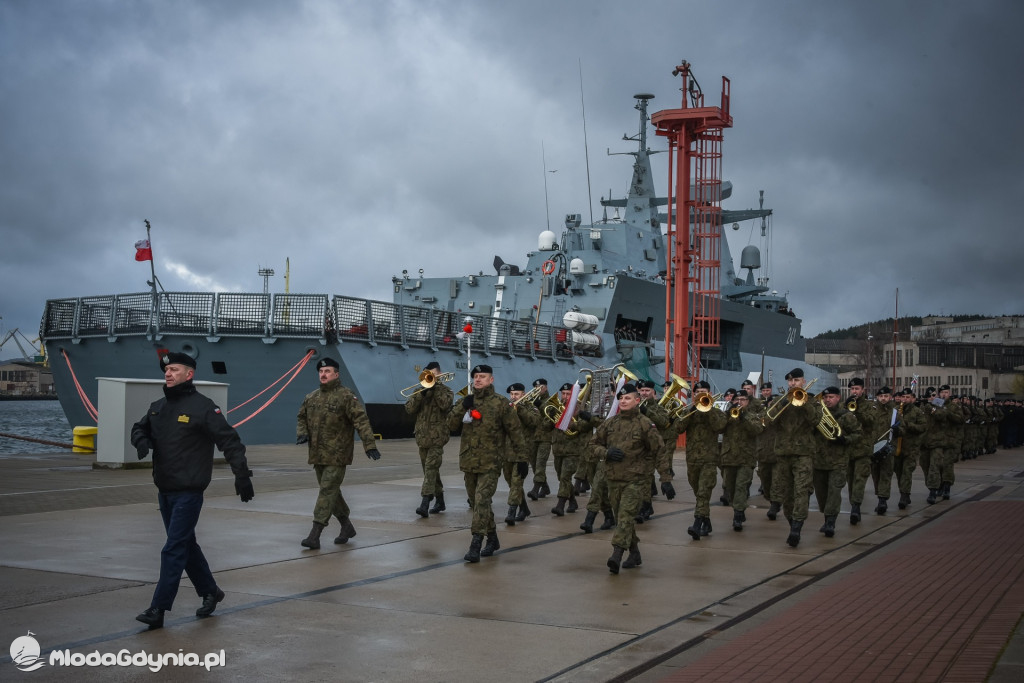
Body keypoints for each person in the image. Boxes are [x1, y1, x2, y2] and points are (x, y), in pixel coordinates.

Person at [130, 351, 254, 629]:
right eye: (167, 370)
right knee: (185, 545)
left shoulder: (203, 407)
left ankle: (158, 608)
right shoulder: (158, 407)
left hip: (189, 492)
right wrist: (141, 442)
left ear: (190, 374)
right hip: (165, 490)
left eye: (175, 369)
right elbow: (139, 428)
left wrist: (242, 475)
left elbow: (230, 441)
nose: (168, 374)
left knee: (173, 547)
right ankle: (211, 591)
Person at [296, 357, 382, 550]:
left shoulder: (346, 396)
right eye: (321, 371)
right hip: (317, 454)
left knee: (326, 491)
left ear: (336, 374)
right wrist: (302, 433)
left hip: (337, 454)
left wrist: (370, 445)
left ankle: (315, 534)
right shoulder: (312, 397)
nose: (323, 374)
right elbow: (301, 416)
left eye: (327, 371)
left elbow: (361, 420)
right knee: (331, 492)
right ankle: (346, 526)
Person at [448, 364, 527, 562]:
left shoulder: (501, 404)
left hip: (491, 462)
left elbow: (516, 432)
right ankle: (492, 538)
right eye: (475, 376)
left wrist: (522, 459)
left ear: (491, 380)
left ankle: (475, 543)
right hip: (468, 461)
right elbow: (450, 425)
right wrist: (462, 408)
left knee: (482, 501)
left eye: (482, 376)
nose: (478, 379)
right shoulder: (466, 401)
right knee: (477, 504)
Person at [590, 382, 663, 574]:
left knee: (624, 518)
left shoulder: (645, 423)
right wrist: (605, 453)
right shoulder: (610, 423)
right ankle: (635, 553)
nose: (623, 401)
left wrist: (666, 478)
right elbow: (592, 445)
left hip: (635, 480)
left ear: (637, 401)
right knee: (624, 519)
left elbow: (659, 449)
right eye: (621, 398)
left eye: (627, 398)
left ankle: (616, 554)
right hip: (613, 480)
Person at [764, 368, 821, 547]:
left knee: (801, 491)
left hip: (803, 454)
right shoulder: (781, 401)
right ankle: (792, 523)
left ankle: (797, 526)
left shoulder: (812, 401)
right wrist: (781, 405)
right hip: (783, 454)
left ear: (803, 381)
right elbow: (767, 422)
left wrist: (804, 404)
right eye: (790, 381)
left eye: (796, 380)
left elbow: (817, 420)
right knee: (786, 495)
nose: (793, 384)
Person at [679, 381, 728, 540]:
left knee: (703, 492)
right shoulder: (689, 411)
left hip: (709, 459)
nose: (700, 394)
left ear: (709, 393)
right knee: (698, 491)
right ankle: (706, 521)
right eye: (698, 391)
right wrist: (691, 411)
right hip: (692, 459)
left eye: (703, 391)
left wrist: (708, 410)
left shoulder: (717, 412)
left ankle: (697, 523)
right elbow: (678, 428)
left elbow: (720, 427)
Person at [405, 361, 454, 518]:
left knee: (431, 468)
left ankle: (425, 502)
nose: (429, 377)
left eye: (432, 374)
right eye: (428, 374)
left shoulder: (446, 391)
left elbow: (445, 405)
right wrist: (421, 394)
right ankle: (440, 500)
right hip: (422, 437)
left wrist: (435, 389)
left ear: (439, 374)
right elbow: (409, 409)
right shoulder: (420, 391)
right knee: (430, 471)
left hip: (437, 438)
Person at [811, 387, 860, 537]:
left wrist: (845, 439)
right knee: (822, 495)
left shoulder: (846, 416)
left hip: (838, 461)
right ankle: (826, 519)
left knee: (834, 493)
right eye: (825, 398)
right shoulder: (818, 415)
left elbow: (858, 434)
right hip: (819, 461)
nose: (827, 400)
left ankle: (831, 522)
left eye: (831, 397)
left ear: (838, 398)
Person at [719, 389, 764, 531]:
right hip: (729, 457)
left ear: (748, 402)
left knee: (741, 487)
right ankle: (738, 508)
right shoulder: (727, 416)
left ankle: (737, 515)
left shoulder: (753, 416)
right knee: (730, 488)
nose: (739, 403)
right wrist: (727, 414)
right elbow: (718, 428)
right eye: (737, 400)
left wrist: (743, 417)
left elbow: (757, 430)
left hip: (746, 458)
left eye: (743, 400)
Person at [505, 382, 541, 525]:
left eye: (517, 394)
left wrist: (519, 408)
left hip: (523, 453)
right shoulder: (506, 408)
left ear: (524, 395)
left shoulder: (530, 408)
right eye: (512, 394)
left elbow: (534, 422)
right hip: (507, 452)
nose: (514, 397)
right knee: (512, 483)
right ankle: (524, 508)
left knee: (516, 483)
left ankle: (511, 512)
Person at [527, 378, 553, 500]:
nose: (538, 390)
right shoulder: (531, 402)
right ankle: (545, 487)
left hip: (545, 438)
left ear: (546, 387)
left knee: (540, 464)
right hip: (532, 437)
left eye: (540, 387)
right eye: (536, 388)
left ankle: (535, 489)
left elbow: (549, 422)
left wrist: (541, 407)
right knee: (534, 465)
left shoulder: (551, 401)